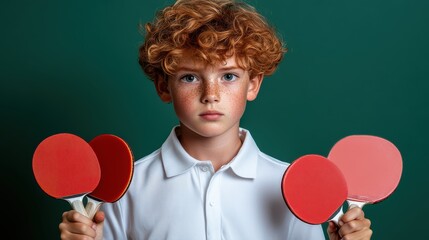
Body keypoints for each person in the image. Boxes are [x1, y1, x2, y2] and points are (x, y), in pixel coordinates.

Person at [59, 0, 373, 239]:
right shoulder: (125, 190)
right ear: (162, 86)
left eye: (228, 76)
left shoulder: (290, 187)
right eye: (190, 78)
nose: (211, 94)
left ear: (253, 84)